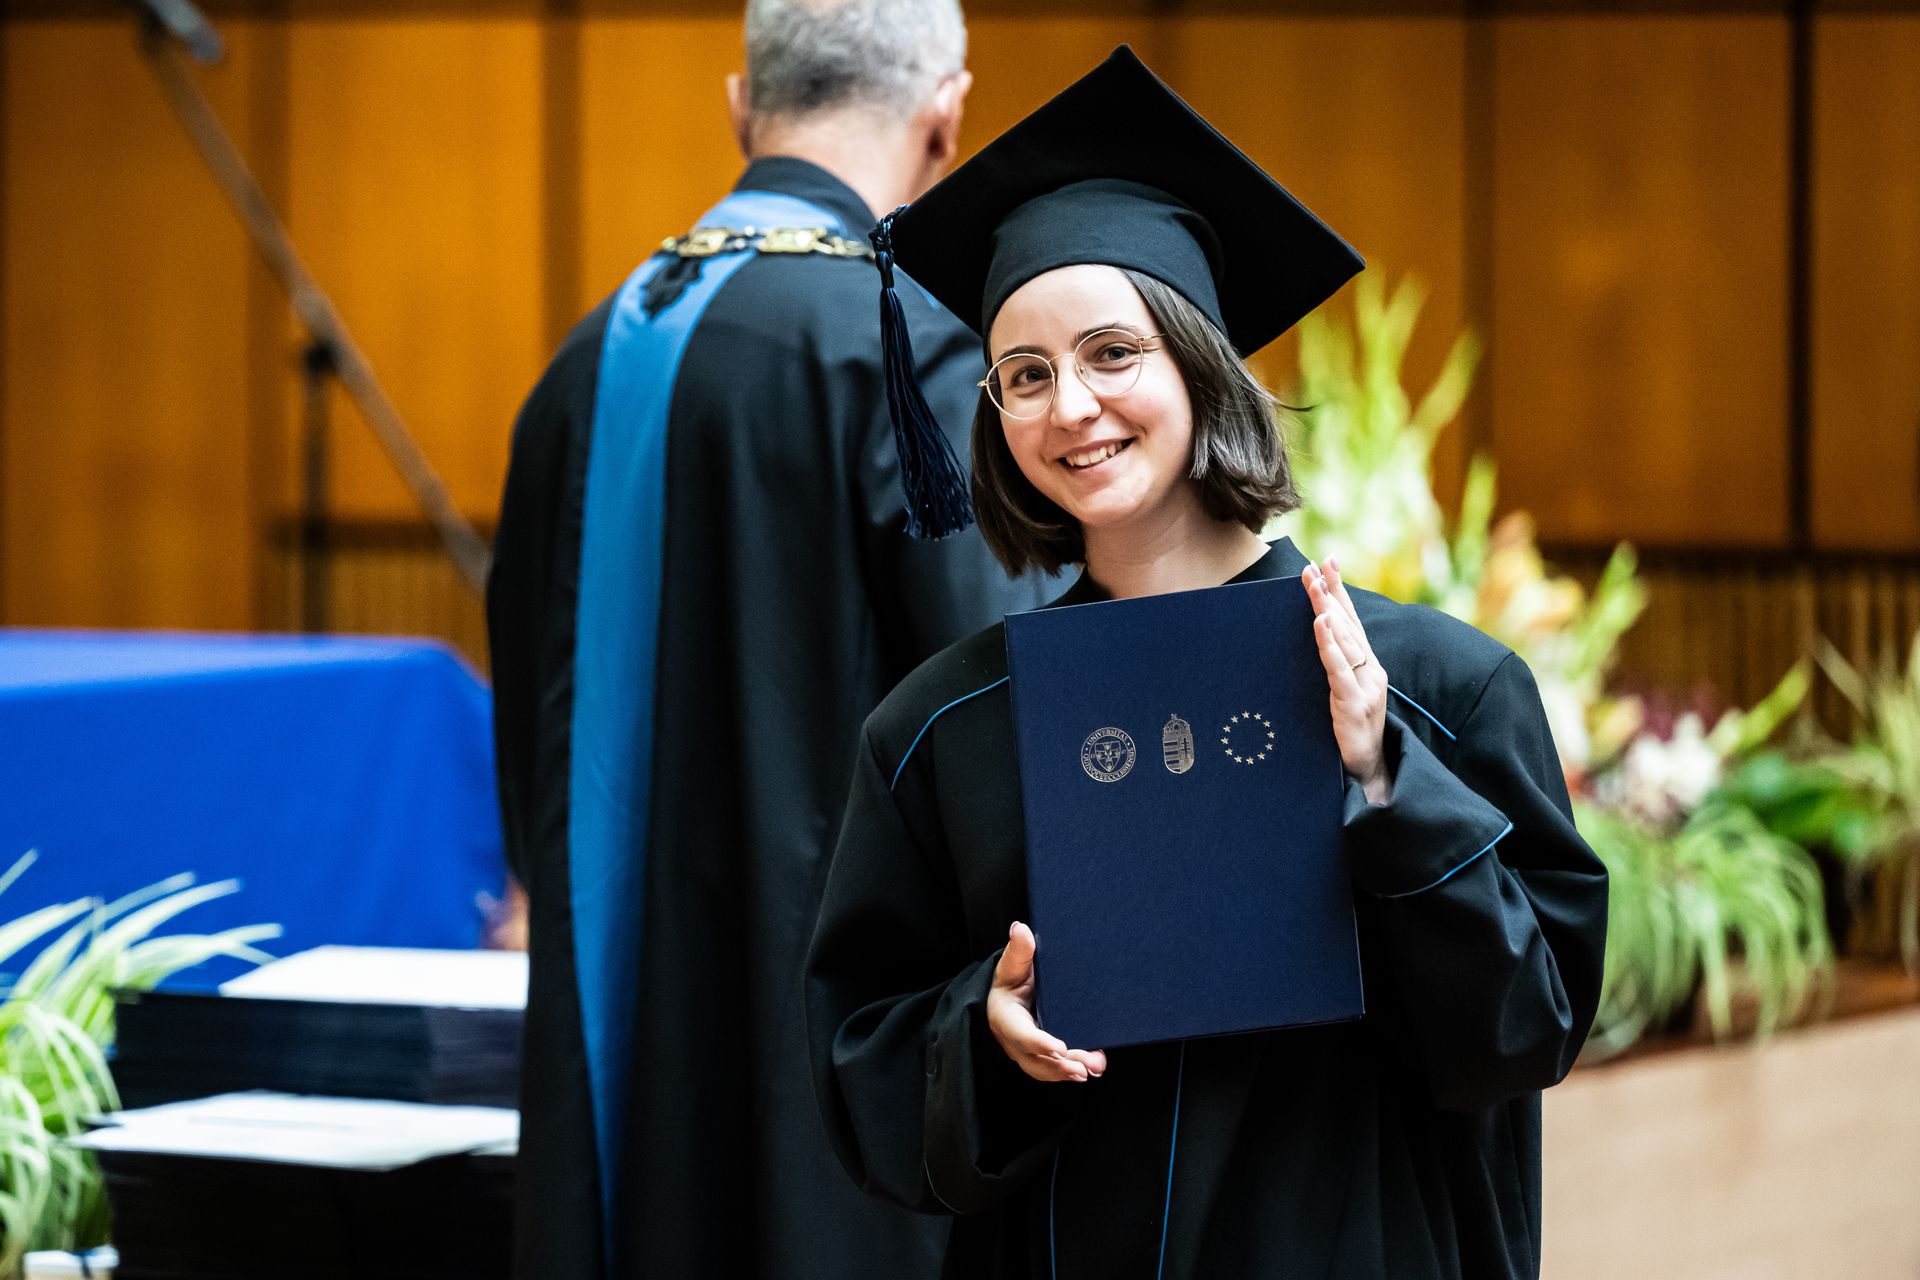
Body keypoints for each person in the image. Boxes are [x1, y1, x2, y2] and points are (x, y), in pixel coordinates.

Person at [805, 46, 1609, 1279]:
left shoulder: (1439, 691)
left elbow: (1525, 1031)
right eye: (1025, 375)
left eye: (1111, 352)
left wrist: (1386, 780)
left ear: (1201, 360)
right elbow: (864, 1060)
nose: (1070, 406)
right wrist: (984, 1032)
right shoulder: (946, 730)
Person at [485, 3, 1051, 1276]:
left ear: (741, 105)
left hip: (611, 1041)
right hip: (833, 1059)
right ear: (948, 117)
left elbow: (531, 742)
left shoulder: (583, 359)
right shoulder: (904, 350)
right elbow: (1005, 713)